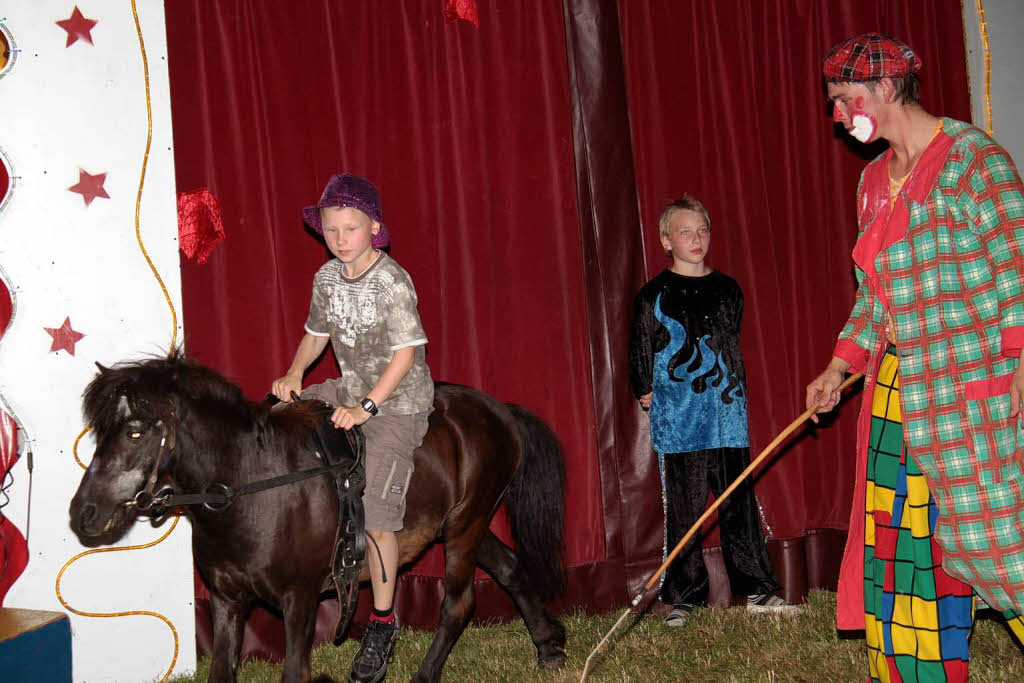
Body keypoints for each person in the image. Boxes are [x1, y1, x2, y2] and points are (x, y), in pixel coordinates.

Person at [806, 33, 1024, 681]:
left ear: (886, 89)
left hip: (973, 394)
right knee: (902, 553)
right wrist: (839, 367)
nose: (839, 116)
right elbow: (877, 300)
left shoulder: (973, 162)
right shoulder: (874, 181)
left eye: (846, 100)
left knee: (999, 547)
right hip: (900, 397)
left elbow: (1018, 272)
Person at [272, 173, 434, 683]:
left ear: (374, 229)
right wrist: (296, 373)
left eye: (351, 228)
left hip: (398, 399)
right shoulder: (326, 278)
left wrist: (367, 406)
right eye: (332, 229)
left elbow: (407, 354)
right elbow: (316, 333)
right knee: (276, 423)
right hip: (347, 384)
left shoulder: (392, 280)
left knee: (379, 518)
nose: (340, 238)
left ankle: (383, 623)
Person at [629, 194, 793, 628]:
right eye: (685, 232)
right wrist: (645, 387)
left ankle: (758, 589)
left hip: (726, 414)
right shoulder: (653, 295)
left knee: (737, 501)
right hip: (680, 419)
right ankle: (685, 596)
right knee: (685, 510)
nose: (696, 239)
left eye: (702, 230)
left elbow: (729, 340)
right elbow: (641, 349)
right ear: (667, 241)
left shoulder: (728, 289)